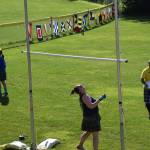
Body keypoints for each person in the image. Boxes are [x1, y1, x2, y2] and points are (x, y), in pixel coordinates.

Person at [70, 84, 106, 150]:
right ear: (80, 90)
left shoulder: (84, 95)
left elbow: (91, 104)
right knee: (95, 135)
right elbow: (91, 106)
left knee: (88, 132)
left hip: (89, 117)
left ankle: (80, 146)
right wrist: (100, 99)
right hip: (92, 118)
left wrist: (97, 102)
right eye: (80, 86)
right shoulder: (84, 97)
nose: (82, 86)